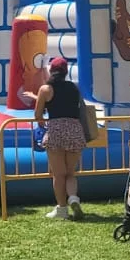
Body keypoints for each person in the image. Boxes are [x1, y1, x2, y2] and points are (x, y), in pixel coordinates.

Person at [35, 56, 87, 220]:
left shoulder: (45, 89)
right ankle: (73, 197)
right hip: (74, 130)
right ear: (65, 71)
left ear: (51, 70)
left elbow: (38, 115)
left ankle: (62, 209)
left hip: (56, 131)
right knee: (70, 173)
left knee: (58, 174)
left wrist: (42, 122)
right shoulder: (74, 87)